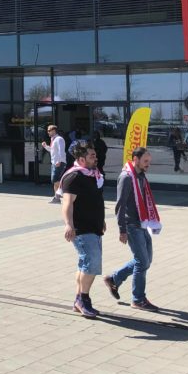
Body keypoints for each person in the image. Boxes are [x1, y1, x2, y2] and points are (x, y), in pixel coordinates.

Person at [104, 147, 162, 311]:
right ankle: (138, 299)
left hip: (143, 224)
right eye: (145, 162)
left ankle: (114, 279)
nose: (147, 165)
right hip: (132, 225)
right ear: (135, 159)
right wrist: (122, 229)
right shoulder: (126, 177)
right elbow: (120, 205)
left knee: (145, 261)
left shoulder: (141, 176)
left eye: (149, 162)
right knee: (142, 262)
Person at [60, 141, 106, 318]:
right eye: (92, 156)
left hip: (93, 227)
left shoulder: (93, 175)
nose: (96, 158)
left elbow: (95, 200)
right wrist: (69, 225)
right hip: (81, 229)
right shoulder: (74, 177)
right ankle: (83, 299)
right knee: (92, 264)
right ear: (81, 159)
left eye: (95, 155)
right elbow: (67, 204)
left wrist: (101, 220)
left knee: (85, 264)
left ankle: (79, 299)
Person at [41, 125, 67, 204]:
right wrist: (45, 146)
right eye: (47, 130)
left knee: (55, 179)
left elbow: (61, 151)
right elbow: (52, 150)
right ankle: (57, 198)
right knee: (55, 180)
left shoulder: (59, 139)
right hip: (55, 162)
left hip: (59, 162)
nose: (48, 132)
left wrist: (59, 161)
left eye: (49, 130)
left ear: (54, 131)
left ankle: (65, 193)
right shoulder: (54, 139)